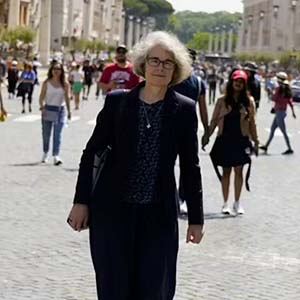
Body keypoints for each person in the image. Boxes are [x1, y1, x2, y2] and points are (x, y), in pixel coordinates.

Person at [67, 31, 204, 300]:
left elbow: (191, 166)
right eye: (155, 60)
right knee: (113, 288)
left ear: (176, 69)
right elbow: (91, 153)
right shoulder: (118, 102)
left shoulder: (184, 109)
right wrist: (81, 201)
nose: (160, 68)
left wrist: (196, 219)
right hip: (112, 213)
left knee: (154, 289)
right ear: (143, 64)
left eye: (168, 63)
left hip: (158, 216)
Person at [204, 69, 259, 215]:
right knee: (226, 172)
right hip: (225, 139)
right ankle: (225, 203)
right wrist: (207, 136)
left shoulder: (249, 101)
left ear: (244, 84)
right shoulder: (222, 100)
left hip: (241, 140)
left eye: (241, 82)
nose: (238, 84)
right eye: (236, 81)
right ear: (231, 82)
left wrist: (256, 141)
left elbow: (253, 123)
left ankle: (237, 203)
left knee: (239, 171)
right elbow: (214, 120)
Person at [173, 48, 209, 214]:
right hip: (169, 126)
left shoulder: (198, 82)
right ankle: (168, 196)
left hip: (189, 129)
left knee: (188, 166)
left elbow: (203, 107)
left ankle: (183, 198)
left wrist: (207, 130)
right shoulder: (172, 78)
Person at [39, 63, 71, 165]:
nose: (56, 71)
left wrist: (69, 111)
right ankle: (45, 153)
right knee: (46, 134)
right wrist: (42, 106)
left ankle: (56, 155)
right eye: (54, 69)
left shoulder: (65, 84)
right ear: (51, 70)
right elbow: (41, 96)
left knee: (57, 134)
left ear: (62, 71)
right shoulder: (46, 82)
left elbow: (67, 98)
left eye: (58, 69)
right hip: (48, 109)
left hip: (60, 110)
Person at [260, 72, 296, 155]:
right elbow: (290, 102)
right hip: (282, 112)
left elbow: (274, 98)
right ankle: (266, 146)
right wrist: (293, 112)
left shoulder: (279, 89)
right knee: (272, 129)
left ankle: (290, 148)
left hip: (279, 112)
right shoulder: (287, 89)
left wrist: (270, 92)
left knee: (283, 131)